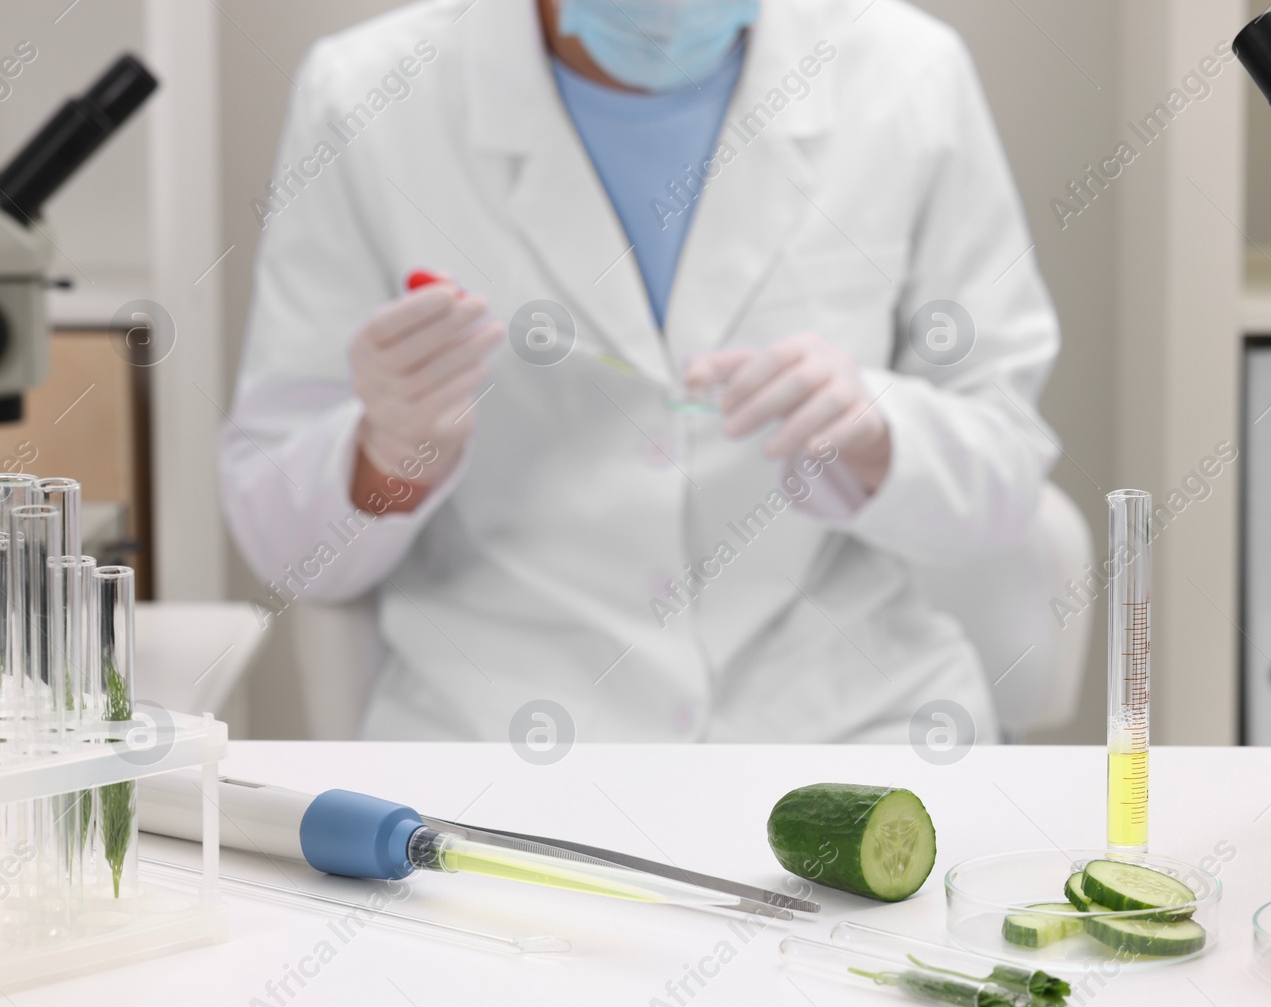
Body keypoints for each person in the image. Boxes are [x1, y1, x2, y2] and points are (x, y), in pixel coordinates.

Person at [221, 0, 1061, 743]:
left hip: (843, 717)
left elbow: (1008, 465)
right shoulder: (366, 95)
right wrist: (389, 452)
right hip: (503, 727)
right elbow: (284, 542)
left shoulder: (909, 73)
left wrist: (879, 432)